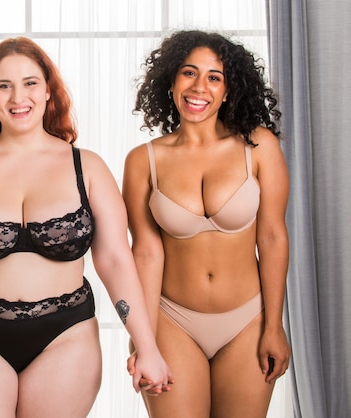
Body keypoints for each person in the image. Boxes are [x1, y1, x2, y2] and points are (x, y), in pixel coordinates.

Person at [0, 36, 173, 417]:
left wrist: (147, 347)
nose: (18, 97)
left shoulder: (89, 168)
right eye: (4, 85)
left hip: (66, 335)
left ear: (48, 90)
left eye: (30, 83)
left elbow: (115, 260)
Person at [122, 30, 291, 417]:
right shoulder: (141, 161)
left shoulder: (259, 146)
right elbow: (146, 253)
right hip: (172, 319)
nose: (200, 87)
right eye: (189, 73)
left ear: (230, 90)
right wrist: (142, 339)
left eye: (214, 77)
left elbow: (272, 236)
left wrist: (273, 326)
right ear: (171, 81)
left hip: (247, 318)